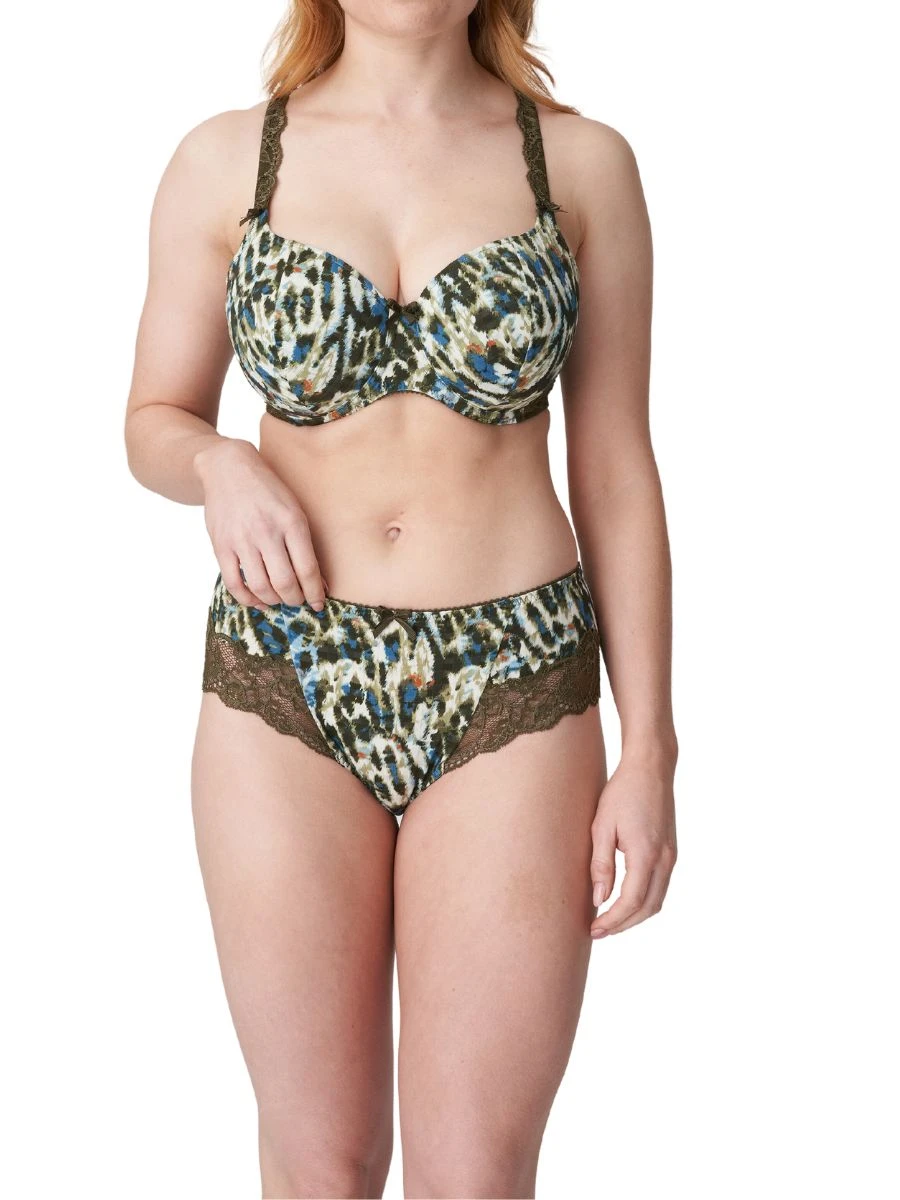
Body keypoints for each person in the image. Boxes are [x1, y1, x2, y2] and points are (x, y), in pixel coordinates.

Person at [124, 1, 678, 1195]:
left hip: (514, 681)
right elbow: (152, 419)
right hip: (285, 679)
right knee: (319, 1164)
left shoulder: (582, 165)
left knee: (474, 1173)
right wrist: (218, 463)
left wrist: (651, 752)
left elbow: (617, 468)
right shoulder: (227, 160)